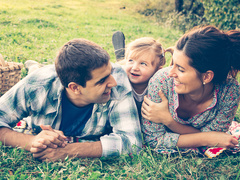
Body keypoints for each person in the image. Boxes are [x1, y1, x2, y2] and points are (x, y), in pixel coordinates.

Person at [0, 38, 142, 161]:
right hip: (44, 79)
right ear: (75, 88)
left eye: (110, 73)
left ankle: (35, 65)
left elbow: (132, 141)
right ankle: (34, 67)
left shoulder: (118, 78)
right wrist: (32, 141)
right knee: (36, 73)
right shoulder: (37, 84)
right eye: (102, 80)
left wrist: (68, 151)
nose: (113, 82)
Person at [141, 25, 240, 154]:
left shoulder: (229, 92)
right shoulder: (161, 82)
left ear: (207, 76)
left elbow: (217, 135)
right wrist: (208, 138)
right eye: (173, 63)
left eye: (180, 69)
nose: (171, 73)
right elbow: (155, 140)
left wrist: (169, 121)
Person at [116, 37, 167, 119]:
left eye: (143, 64)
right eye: (130, 60)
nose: (135, 67)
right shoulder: (119, 80)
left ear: (157, 70)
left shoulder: (159, 87)